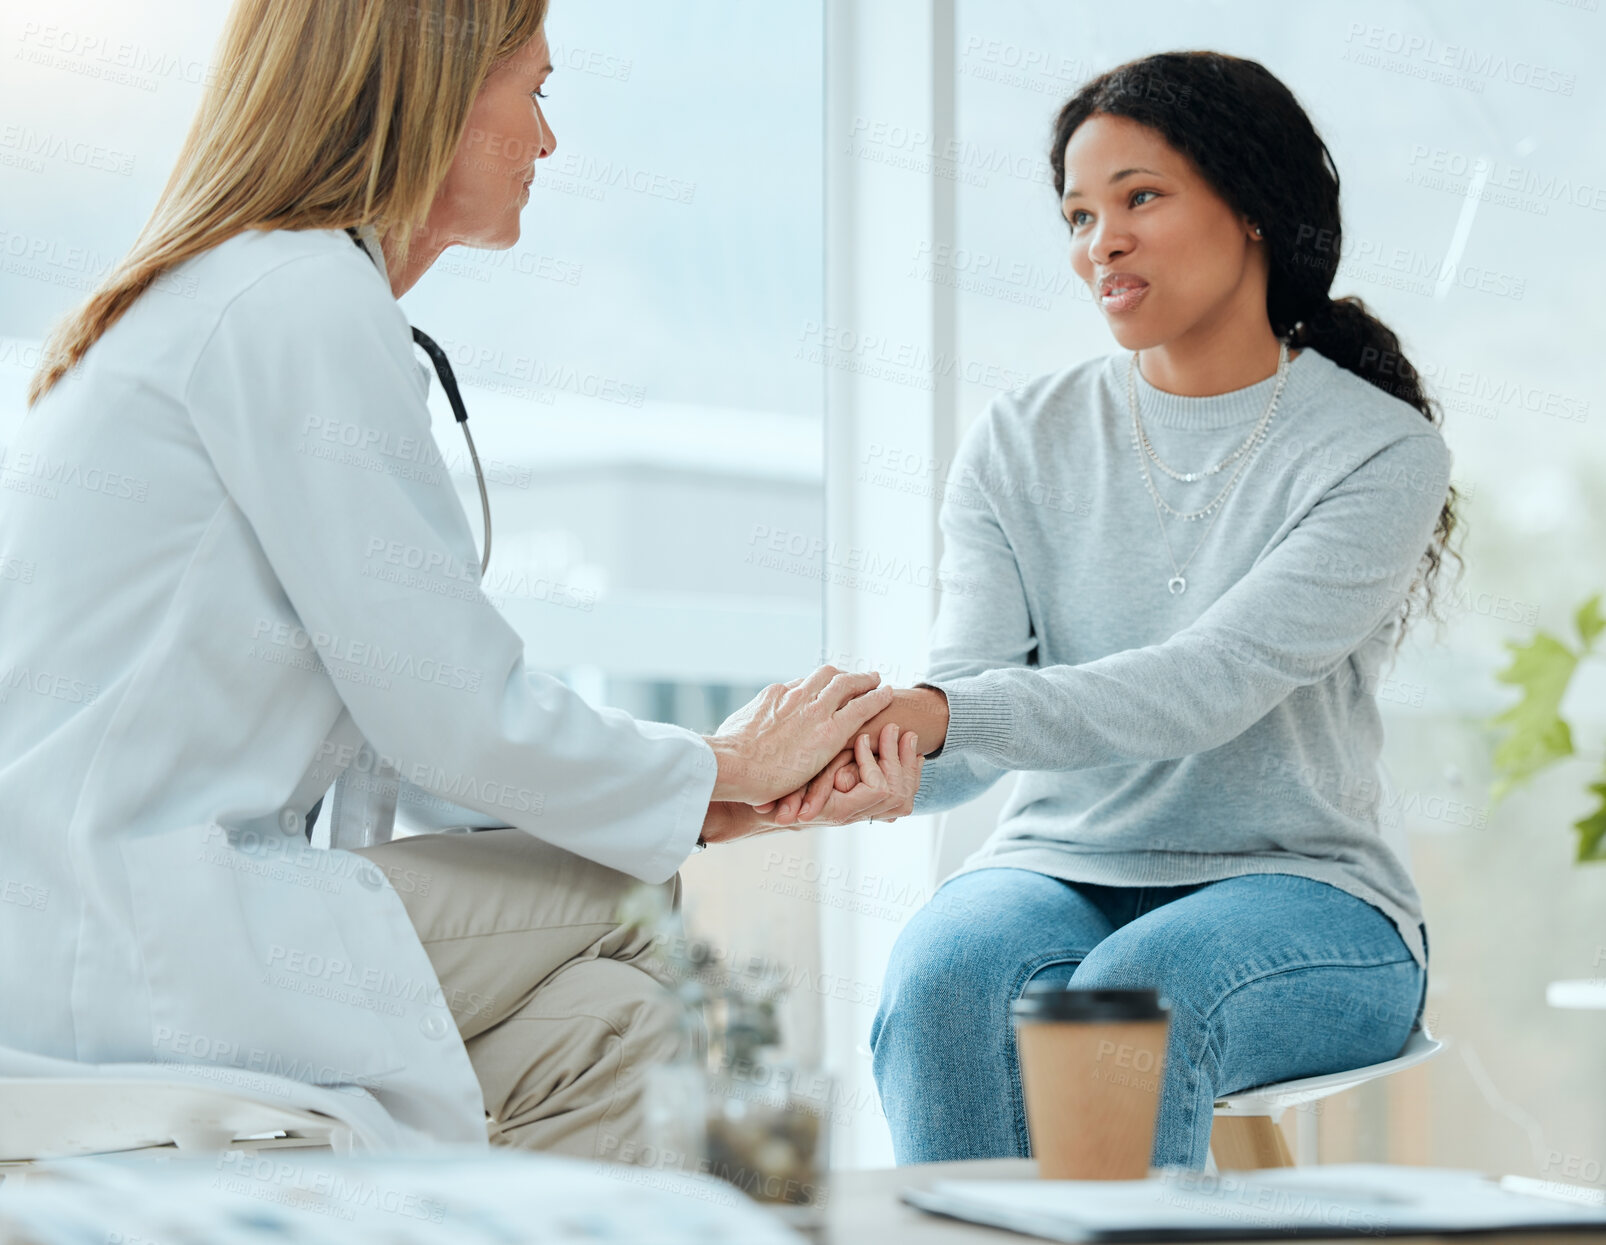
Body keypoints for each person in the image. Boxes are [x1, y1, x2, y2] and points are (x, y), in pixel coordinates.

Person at [0, 0, 920, 1157]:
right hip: (128, 927)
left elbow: (412, 737)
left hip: (101, 915)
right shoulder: (295, 306)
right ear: (429, 95)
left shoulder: (244, 296)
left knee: (609, 1022)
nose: (547, 143)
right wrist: (722, 770)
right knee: (631, 907)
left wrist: (714, 801)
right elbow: (453, 714)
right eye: (534, 91)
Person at [779, 51, 1464, 1170]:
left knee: (1122, 1010)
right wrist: (865, 756)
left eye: (1141, 197)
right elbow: (965, 724)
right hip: (1054, 862)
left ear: (1250, 205)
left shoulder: (1378, 451)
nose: (1102, 240)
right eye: (1080, 213)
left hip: (1303, 890)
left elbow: (1206, 684)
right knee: (946, 977)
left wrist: (946, 713)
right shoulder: (1022, 437)